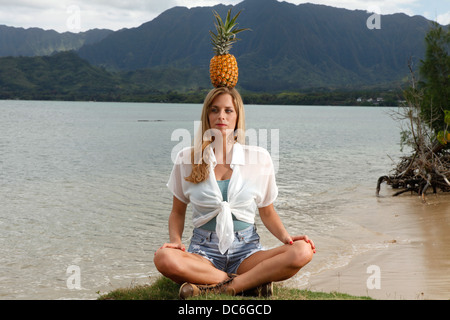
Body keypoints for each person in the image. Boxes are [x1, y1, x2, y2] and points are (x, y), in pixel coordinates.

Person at [154, 87, 315, 299]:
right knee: (163, 258)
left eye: (228, 110)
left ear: (237, 116)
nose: (221, 116)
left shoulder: (259, 158)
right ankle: (247, 283)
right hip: (203, 252)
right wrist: (175, 240)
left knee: (303, 250)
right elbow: (177, 212)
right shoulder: (187, 158)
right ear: (207, 116)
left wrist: (286, 238)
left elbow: (267, 211)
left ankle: (220, 287)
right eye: (215, 110)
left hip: (247, 251)